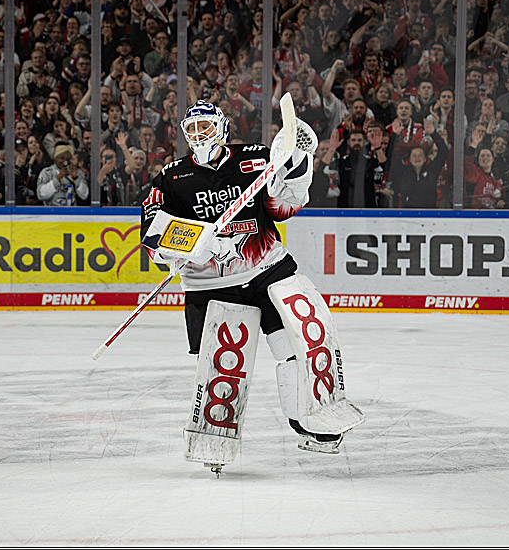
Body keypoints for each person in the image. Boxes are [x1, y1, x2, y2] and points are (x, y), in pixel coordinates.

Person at [139, 101, 362, 469]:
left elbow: (283, 209)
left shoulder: (257, 158)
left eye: (206, 127)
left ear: (222, 128)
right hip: (210, 285)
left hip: (266, 268)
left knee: (295, 347)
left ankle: (309, 421)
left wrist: (293, 173)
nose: (199, 135)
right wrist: (196, 242)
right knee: (223, 366)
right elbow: (152, 234)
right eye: (192, 129)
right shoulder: (171, 177)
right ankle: (215, 435)